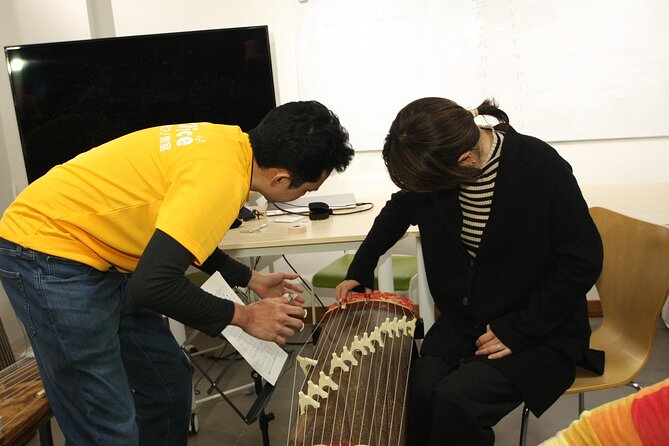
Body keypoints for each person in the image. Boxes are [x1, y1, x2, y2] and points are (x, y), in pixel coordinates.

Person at [0, 100, 354, 445]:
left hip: (96, 251)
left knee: (166, 385)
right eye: (307, 189)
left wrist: (251, 279)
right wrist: (244, 316)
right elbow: (153, 286)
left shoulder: (230, 144)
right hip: (46, 250)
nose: (306, 194)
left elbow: (184, 232)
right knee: (104, 425)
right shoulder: (222, 180)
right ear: (281, 178)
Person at [335, 97, 604, 445]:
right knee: (417, 389)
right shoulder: (444, 165)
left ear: (467, 159)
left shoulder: (539, 168)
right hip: (467, 319)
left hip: (538, 325)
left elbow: (583, 259)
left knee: (456, 401)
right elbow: (399, 210)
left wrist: (519, 329)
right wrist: (361, 266)